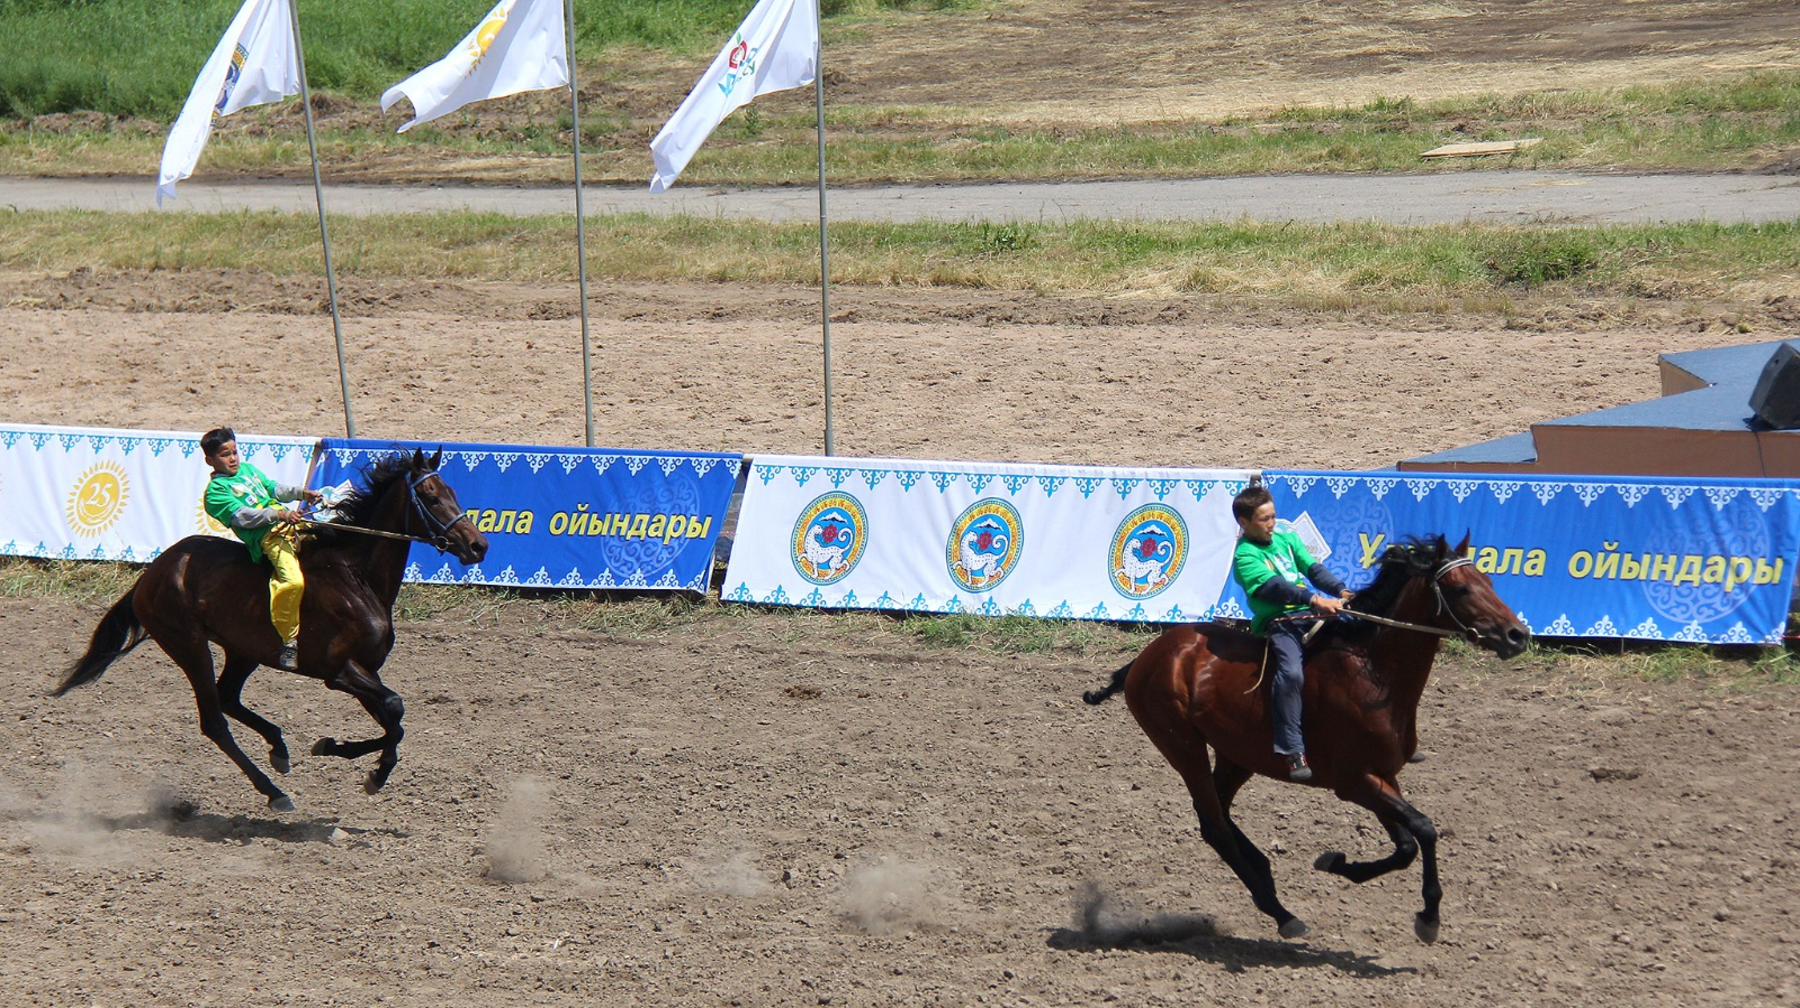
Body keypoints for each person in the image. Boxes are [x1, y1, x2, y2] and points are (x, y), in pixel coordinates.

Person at [1230, 482, 1351, 782]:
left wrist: (1339, 589)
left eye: (1273, 516)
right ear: (1245, 523)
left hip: (1309, 612)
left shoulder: (1286, 536)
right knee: (1292, 674)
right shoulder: (1245, 556)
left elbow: (1312, 568)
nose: (1272, 524)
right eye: (1264, 519)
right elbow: (1274, 588)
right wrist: (1314, 599)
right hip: (1280, 623)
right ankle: (1291, 748)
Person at [200, 427, 322, 671]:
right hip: (270, 538)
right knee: (293, 582)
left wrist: (301, 493)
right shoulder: (215, 494)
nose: (233, 458)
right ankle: (288, 641)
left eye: (235, 451)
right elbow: (243, 517)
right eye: (226, 454)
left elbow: (274, 488)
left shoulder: (248, 470)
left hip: (291, 524)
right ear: (209, 460)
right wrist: (279, 513)